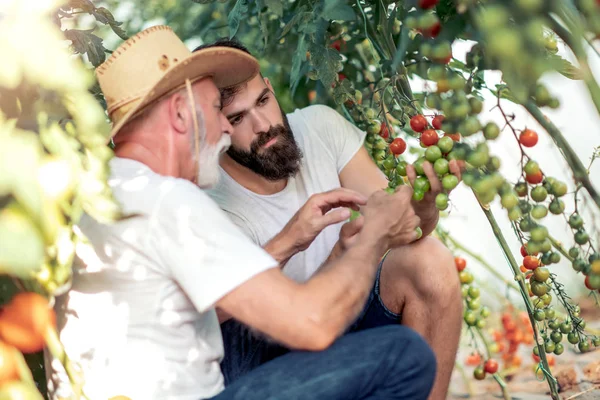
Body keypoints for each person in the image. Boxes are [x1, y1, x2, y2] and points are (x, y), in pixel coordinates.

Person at [45, 26, 437, 400]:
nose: (226, 129)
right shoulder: (166, 201)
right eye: (220, 111)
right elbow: (312, 325)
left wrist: (316, 246)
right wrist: (374, 236)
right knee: (403, 355)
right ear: (181, 115)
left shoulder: (109, 190)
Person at [199, 39, 463, 400]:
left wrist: (427, 203)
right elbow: (205, 313)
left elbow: (404, 228)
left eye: (262, 101)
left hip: (342, 314)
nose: (262, 125)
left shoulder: (319, 127)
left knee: (427, 260)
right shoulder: (209, 199)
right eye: (237, 117)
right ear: (217, 129)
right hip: (268, 360)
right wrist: (289, 241)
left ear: (272, 91)